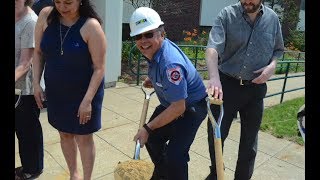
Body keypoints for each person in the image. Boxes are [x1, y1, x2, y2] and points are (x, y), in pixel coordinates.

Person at [204, 0, 284, 179]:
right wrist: (214, 77)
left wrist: (272, 65)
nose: (247, 1)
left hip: (255, 89)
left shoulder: (272, 19)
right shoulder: (227, 14)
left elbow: (278, 50)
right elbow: (212, 48)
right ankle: (217, 174)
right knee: (215, 136)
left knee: (249, 143)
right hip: (225, 86)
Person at [130, 7, 208, 180]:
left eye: (149, 34)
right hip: (172, 103)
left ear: (161, 33)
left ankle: (171, 171)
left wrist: (147, 128)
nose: (143, 41)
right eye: (138, 36)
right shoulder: (155, 51)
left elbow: (178, 108)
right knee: (152, 139)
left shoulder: (171, 65)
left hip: (190, 107)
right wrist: (157, 81)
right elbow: (162, 71)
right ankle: (163, 175)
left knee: (175, 155)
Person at [32, 0, 107, 179]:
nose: (62, 7)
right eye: (58, 1)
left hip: (84, 94)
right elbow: (38, 52)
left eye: (68, 2)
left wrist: (87, 101)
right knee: (64, 133)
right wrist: (36, 83)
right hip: (57, 93)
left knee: (83, 138)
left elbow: (99, 68)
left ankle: (86, 177)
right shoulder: (46, 16)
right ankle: (74, 174)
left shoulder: (91, 26)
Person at [15, 0, 44, 179]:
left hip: (25, 89)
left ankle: (32, 169)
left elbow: (26, 63)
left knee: (27, 132)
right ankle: (28, 165)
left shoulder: (30, 21)